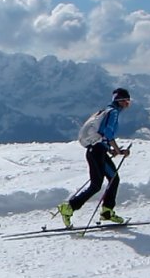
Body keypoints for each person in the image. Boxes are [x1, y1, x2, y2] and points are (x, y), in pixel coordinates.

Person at [57, 88, 133, 227]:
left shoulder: (106, 111)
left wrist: (110, 150)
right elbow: (108, 133)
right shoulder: (113, 112)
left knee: (113, 179)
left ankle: (107, 212)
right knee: (97, 185)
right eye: (126, 101)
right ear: (120, 101)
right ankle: (69, 208)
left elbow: (101, 136)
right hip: (97, 151)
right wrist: (117, 150)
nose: (128, 105)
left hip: (96, 150)